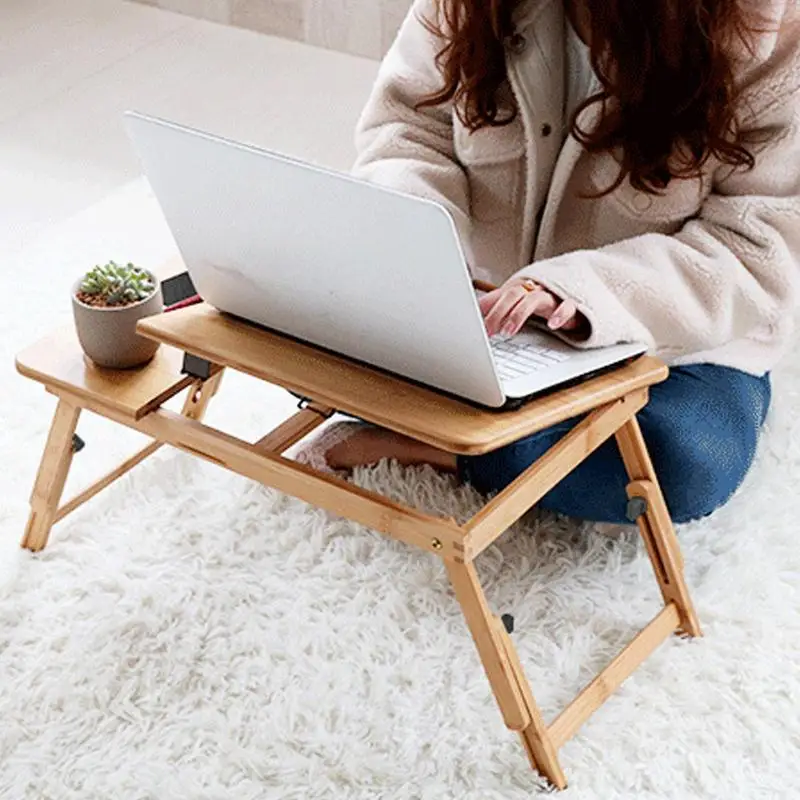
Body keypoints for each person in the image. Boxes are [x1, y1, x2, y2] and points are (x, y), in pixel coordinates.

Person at [298, 0, 800, 525]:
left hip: (669, 346)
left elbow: (757, 253)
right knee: (298, 331)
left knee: (685, 460)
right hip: (484, 313)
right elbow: (408, 127)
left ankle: (443, 446)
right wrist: (424, 255)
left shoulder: (766, 32)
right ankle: (487, 428)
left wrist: (579, 295)